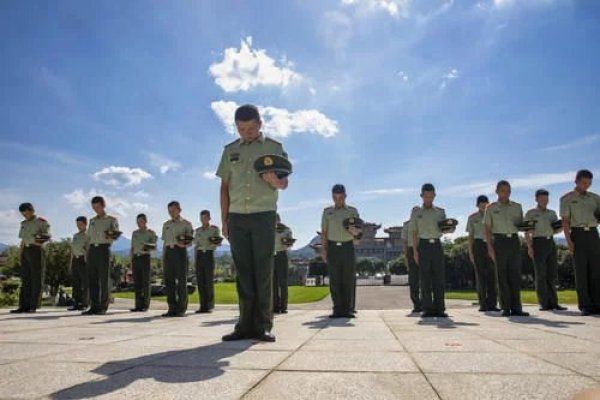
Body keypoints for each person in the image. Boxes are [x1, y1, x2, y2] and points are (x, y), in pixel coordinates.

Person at [217, 104, 289, 342]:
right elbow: (224, 187)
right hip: (237, 217)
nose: (246, 133)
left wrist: (273, 181)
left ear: (260, 124)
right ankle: (244, 325)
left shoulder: (274, 148)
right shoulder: (230, 151)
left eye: (250, 128)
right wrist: (224, 219)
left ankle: (263, 325)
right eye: (241, 129)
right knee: (244, 273)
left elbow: (284, 183)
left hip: (263, 215)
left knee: (263, 271)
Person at [484, 181, 529, 317]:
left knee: (515, 275)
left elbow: (522, 225)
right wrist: (490, 248)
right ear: (497, 191)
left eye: (508, 191)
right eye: (503, 190)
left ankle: (517, 308)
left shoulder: (517, 207)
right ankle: (506, 307)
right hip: (499, 241)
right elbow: (487, 229)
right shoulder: (491, 208)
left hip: (514, 241)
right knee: (502, 275)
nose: (506, 193)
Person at [560, 169, 600, 315]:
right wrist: (569, 242)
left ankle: (597, 303)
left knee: (596, 270)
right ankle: (585, 305)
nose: (586, 186)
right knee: (581, 271)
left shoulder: (595, 198)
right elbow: (565, 222)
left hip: (594, 234)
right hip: (578, 234)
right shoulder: (567, 198)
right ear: (576, 181)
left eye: (589, 183)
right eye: (584, 183)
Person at [321, 184, 360, 318]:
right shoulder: (327, 212)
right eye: (335, 197)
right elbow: (324, 233)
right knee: (335, 279)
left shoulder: (352, 211)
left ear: (345, 196)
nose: (338, 200)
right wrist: (324, 251)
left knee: (348, 279)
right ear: (332, 197)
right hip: (332, 247)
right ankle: (337, 309)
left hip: (347, 247)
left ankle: (348, 309)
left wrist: (355, 232)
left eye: (340, 197)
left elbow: (359, 232)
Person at [525, 190, 567, 312]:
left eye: (547, 199)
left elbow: (555, 230)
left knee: (552, 274)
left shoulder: (552, 213)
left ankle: (554, 303)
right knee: (540, 274)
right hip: (538, 242)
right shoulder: (531, 213)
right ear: (536, 199)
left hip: (550, 242)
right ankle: (544, 303)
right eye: (542, 199)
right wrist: (529, 247)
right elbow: (527, 232)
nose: (545, 201)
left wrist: (561, 225)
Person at [410, 184, 448, 318]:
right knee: (425, 278)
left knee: (439, 278)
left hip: (436, 245)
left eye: (431, 196)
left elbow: (445, 229)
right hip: (423, 246)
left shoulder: (440, 212)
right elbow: (414, 233)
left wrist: (450, 229)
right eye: (426, 196)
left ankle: (440, 308)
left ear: (434, 196)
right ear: (421, 196)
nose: (428, 199)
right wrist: (415, 251)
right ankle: (426, 308)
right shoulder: (416, 213)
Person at [10, 203, 50, 314]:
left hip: (36, 250)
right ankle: (23, 306)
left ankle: (33, 306)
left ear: (32, 210)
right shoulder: (24, 223)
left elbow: (47, 235)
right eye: (23, 214)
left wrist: (39, 241)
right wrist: (20, 254)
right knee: (25, 279)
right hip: (26, 251)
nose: (24, 216)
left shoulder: (41, 221)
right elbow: (22, 240)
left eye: (26, 213)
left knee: (36, 279)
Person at [84, 196, 119, 315]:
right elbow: (89, 238)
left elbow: (114, 235)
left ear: (103, 205)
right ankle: (93, 306)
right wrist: (87, 252)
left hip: (104, 249)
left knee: (103, 279)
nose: (96, 209)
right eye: (94, 207)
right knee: (92, 279)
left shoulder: (111, 220)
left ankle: (103, 306)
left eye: (98, 207)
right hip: (92, 249)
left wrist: (110, 235)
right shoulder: (92, 221)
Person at [467, 195, 499, 312]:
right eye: (481, 204)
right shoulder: (472, 217)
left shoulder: (493, 216)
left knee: (492, 275)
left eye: (485, 204)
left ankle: (493, 303)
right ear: (477, 205)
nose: (483, 206)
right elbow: (470, 236)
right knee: (480, 276)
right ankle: (483, 304)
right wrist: (470, 252)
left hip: (490, 245)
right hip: (478, 245)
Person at [161, 201, 193, 317]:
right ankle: (171, 308)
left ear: (179, 210)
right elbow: (164, 242)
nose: (171, 213)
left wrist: (184, 245)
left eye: (173, 210)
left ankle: (181, 309)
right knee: (169, 282)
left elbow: (190, 241)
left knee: (181, 282)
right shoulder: (166, 224)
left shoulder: (186, 224)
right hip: (168, 253)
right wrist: (163, 257)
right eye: (169, 211)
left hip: (180, 252)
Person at [193, 210, 221, 313]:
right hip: (200, 255)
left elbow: (217, 242)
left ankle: (209, 306)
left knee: (209, 281)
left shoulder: (214, 229)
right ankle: (202, 306)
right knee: (200, 281)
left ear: (209, 218)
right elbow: (195, 244)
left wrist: (214, 243)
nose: (203, 220)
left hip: (209, 254)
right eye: (201, 218)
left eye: (205, 218)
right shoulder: (198, 231)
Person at [130, 213, 158, 312]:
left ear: (145, 221)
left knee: (145, 282)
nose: (139, 224)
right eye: (137, 222)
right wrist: (131, 261)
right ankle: (138, 305)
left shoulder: (151, 233)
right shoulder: (135, 233)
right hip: (136, 258)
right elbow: (132, 247)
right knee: (137, 283)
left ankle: (145, 305)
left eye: (141, 221)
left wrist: (147, 245)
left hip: (145, 257)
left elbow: (154, 246)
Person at [68, 216, 89, 311]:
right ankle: (76, 303)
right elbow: (72, 249)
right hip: (75, 260)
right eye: (77, 225)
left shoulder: (88, 235)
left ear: (85, 224)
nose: (79, 226)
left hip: (83, 259)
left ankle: (85, 303)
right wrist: (71, 262)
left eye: (80, 224)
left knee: (85, 283)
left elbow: (88, 248)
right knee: (76, 283)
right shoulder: (75, 236)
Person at [273, 214, 293, 314]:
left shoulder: (286, 229)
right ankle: (275, 307)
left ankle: (283, 307)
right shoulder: (267, 229)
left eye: (275, 219)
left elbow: (289, 243)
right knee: (273, 283)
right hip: (271, 257)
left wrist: (287, 243)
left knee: (283, 283)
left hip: (281, 255)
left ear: (279, 219)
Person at [401, 219, 421, 314]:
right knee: (413, 279)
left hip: (424, 247)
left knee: (427, 277)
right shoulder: (407, 225)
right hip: (411, 249)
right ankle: (416, 304)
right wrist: (405, 256)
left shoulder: (423, 221)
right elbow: (404, 241)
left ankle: (427, 303)